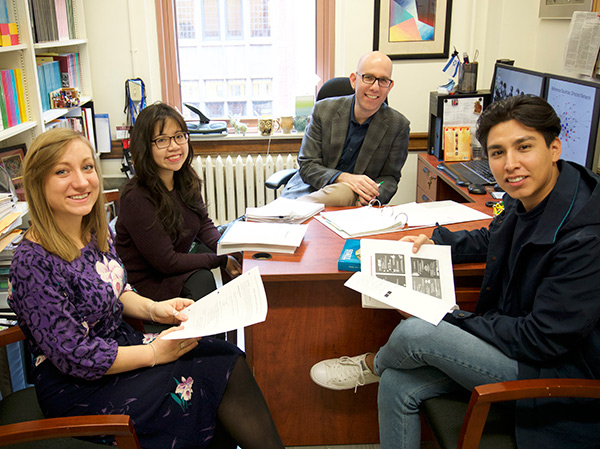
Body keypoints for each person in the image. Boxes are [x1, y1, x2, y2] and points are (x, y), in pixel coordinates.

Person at [309, 95, 600, 448]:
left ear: (554, 148)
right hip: (514, 339)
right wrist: (438, 241)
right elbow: (495, 235)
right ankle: (383, 371)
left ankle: (371, 364)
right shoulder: (531, 192)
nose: (510, 164)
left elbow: (542, 339)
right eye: (497, 153)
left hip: (550, 370)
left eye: (524, 147)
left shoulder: (587, 234)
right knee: (397, 384)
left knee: (417, 332)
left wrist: (456, 319)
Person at [9, 128, 284, 449]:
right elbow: (76, 357)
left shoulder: (90, 228)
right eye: (62, 172)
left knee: (224, 356)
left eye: (87, 167)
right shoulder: (33, 262)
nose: (81, 181)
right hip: (79, 384)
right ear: (38, 184)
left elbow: (117, 288)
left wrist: (156, 309)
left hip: (122, 345)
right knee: (210, 378)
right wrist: (153, 353)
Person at [115, 103, 241, 306]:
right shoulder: (136, 197)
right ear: (144, 146)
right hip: (148, 284)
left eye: (179, 136)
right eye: (162, 140)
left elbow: (204, 225)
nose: (174, 146)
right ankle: (205, 336)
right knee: (203, 279)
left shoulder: (184, 178)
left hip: (173, 263)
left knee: (222, 254)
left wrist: (227, 249)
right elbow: (167, 262)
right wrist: (221, 259)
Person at [281, 50, 410, 206]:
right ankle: (282, 212)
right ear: (354, 80)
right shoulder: (323, 110)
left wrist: (372, 196)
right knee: (340, 191)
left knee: (343, 192)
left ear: (390, 86)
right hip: (310, 190)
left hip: (355, 202)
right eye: (368, 78)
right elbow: (307, 165)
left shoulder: (398, 126)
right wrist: (345, 178)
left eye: (383, 80)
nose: (375, 87)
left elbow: (390, 178)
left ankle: (278, 212)